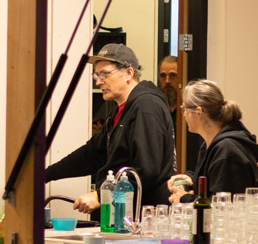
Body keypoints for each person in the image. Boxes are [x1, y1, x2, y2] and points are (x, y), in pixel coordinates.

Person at [44, 43, 175, 215]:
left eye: (104, 74)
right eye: (97, 75)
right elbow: (92, 154)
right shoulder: (121, 111)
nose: (98, 81)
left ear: (129, 73)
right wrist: (45, 175)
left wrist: (101, 196)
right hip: (123, 213)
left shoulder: (146, 106)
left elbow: (147, 170)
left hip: (146, 216)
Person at [167, 79, 258, 203]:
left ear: (198, 112)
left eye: (184, 109)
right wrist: (193, 179)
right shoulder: (211, 145)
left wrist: (184, 198)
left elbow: (221, 206)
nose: (184, 114)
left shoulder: (227, 151)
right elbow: (216, 183)